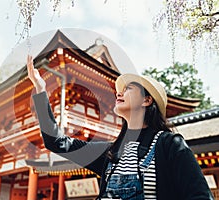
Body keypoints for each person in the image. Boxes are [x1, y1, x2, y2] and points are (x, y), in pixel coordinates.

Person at [27, 55, 213, 199]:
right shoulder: (109, 152)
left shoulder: (169, 144)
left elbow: (200, 196)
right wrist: (41, 90)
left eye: (128, 89)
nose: (119, 93)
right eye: (119, 90)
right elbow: (56, 142)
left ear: (147, 100)